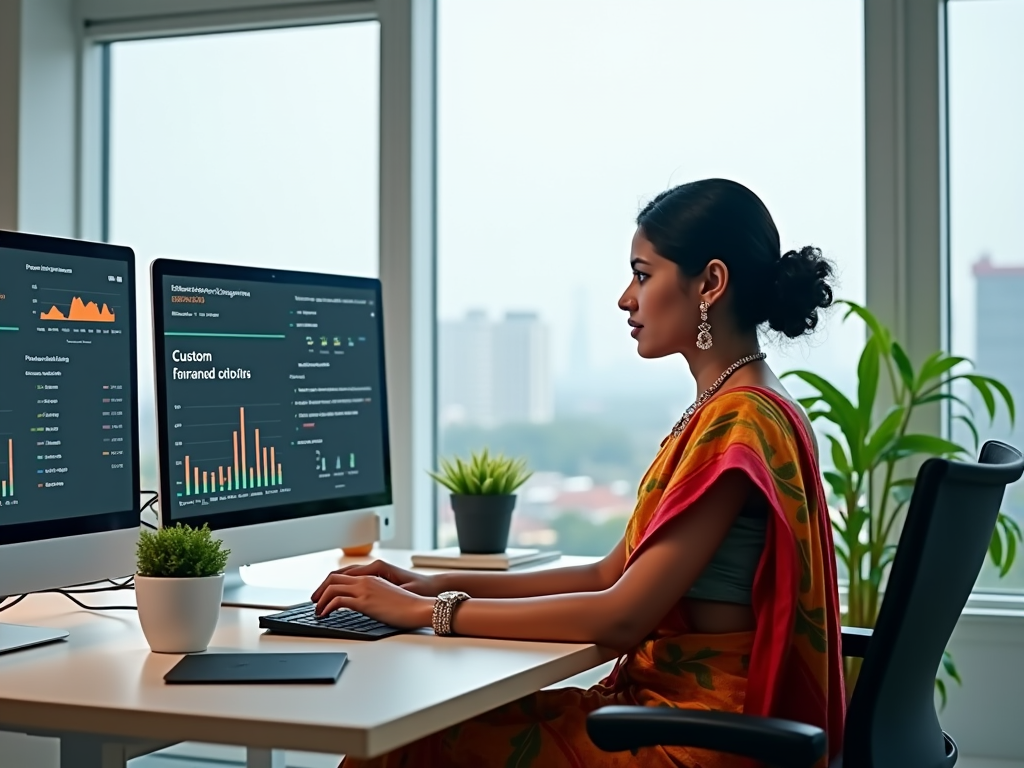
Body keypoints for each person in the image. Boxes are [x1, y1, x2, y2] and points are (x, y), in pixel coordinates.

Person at [314, 178, 846, 768]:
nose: (626, 298)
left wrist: (424, 614)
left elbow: (620, 618)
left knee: (399, 746)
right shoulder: (739, 407)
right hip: (664, 709)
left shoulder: (739, 420)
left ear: (710, 283)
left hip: (697, 736)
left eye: (643, 275)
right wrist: (432, 586)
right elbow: (606, 574)